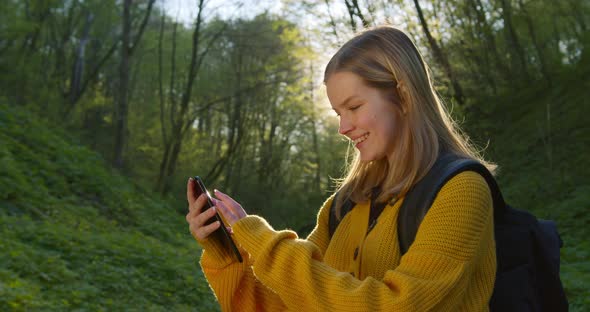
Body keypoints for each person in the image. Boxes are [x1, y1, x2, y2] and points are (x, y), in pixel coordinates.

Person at [186, 25, 497, 311]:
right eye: (337, 113)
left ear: (403, 97)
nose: (343, 128)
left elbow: (394, 305)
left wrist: (263, 241)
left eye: (354, 107)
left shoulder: (461, 190)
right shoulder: (343, 205)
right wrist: (225, 254)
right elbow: (290, 305)